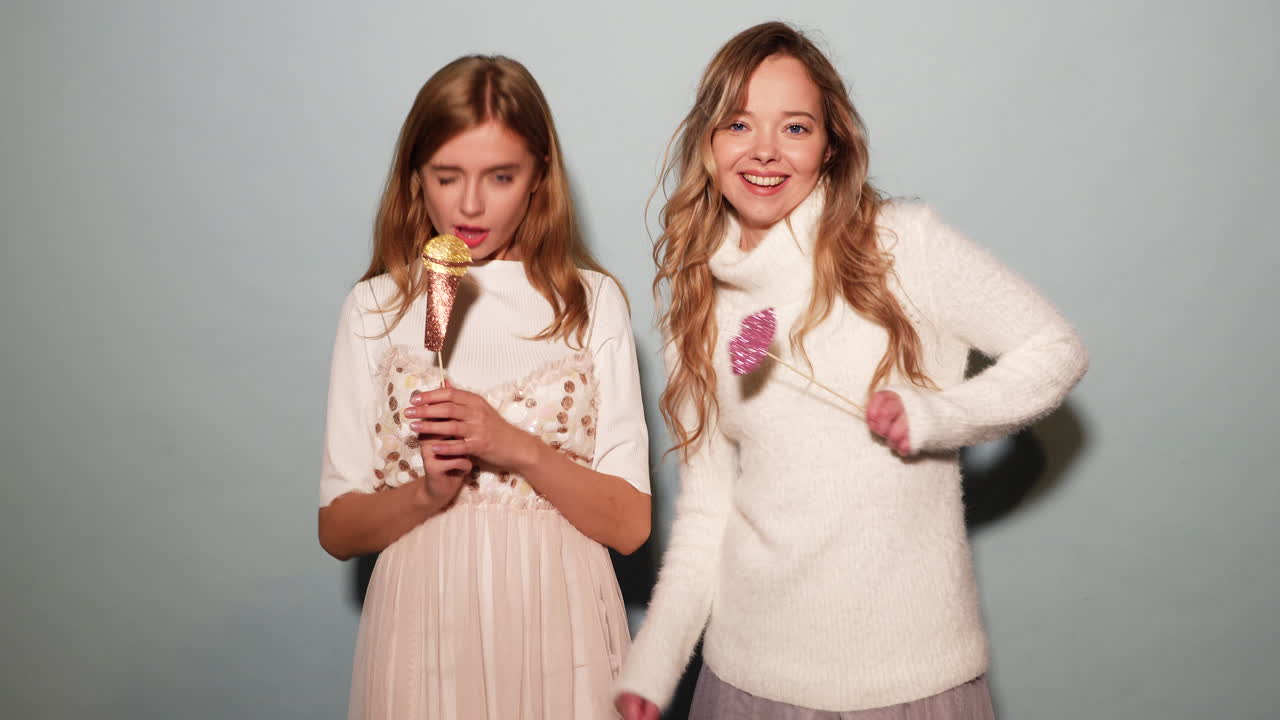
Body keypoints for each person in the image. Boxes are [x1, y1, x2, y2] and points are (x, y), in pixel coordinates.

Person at [615, 22, 1088, 719]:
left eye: (796, 127)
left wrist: (935, 416)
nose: (766, 150)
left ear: (830, 145)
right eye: (739, 123)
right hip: (747, 683)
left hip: (912, 681)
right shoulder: (701, 307)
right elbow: (709, 509)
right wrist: (651, 669)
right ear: (709, 144)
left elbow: (1056, 349)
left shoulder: (901, 245)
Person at [318, 55, 651, 720]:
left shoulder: (591, 302)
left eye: (501, 176)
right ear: (416, 180)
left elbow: (631, 526)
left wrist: (513, 446)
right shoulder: (377, 307)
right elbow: (337, 527)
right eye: (447, 176)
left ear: (538, 181)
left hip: (564, 628)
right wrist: (427, 493)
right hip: (423, 625)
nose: (470, 204)